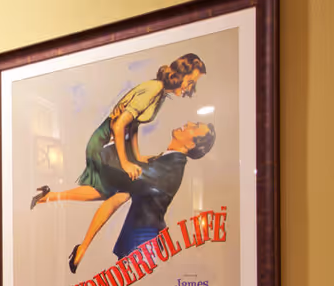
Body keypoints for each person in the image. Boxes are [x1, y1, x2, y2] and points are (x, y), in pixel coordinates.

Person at [31, 54, 207, 270]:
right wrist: (125, 163)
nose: (190, 88)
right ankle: (80, 244)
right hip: (106, 141)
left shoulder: (160, 92)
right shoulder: (153, 89)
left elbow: (134, 124)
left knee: (110, 193)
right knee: (117, 193)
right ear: (180, 74)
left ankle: (50, 199)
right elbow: (119, 125)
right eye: (191, 81)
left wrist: (137, 157)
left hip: (118, 142)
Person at [65, 121, 217, 271]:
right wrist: (84, 246)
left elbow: (120, 174)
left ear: (191, 144)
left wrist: (115, 137)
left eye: (195, 127)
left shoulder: (169, 167)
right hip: (138, 243)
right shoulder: (164, 161)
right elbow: (115, 201)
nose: (189, 123)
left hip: (143, 244)